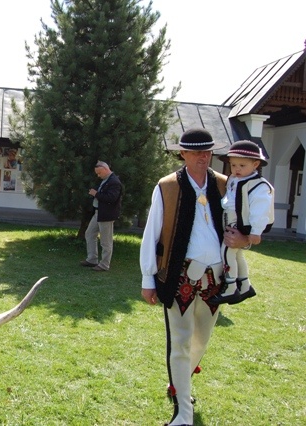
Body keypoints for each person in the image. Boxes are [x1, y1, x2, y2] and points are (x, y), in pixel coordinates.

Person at [139, 128, 252, 426]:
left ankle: (180, 384)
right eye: (196, 152)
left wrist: (246, 239)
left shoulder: (226, 185)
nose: (204, 157)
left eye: (207, 152)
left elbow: (248, 224)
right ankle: (183, 414)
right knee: (181, 341)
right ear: (183, 154)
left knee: (201, 341)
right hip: (180, 277)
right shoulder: (167, 187)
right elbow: (152, 234)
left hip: (216, 278)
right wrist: (148, 278)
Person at [209, 140, 274, 305]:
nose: (237, 169)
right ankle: (245, 285)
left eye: (242, 165)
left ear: (255, 164)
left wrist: (256, 231)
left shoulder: (258, 186)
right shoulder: (233, 179)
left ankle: (231, 287)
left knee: (227, 252)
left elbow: (260, 210)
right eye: (234, 165)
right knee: (237, 254)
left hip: (239, 223)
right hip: (230, 219)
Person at [80, 161, 122, 271]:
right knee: (89, 234)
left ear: (105, 169)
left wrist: (96, 194)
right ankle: (92, 259)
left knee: (106, 241)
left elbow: (111, 199)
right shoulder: (106, 180)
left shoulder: (114, 182)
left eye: (99, 173)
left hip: (106, 214)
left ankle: (104, 265)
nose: (98, 176)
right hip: (99, 213)